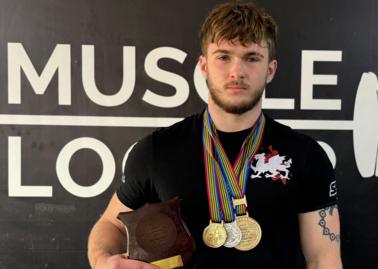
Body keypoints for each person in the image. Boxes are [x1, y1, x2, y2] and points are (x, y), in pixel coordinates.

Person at [87, 2, 342, 268]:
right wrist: (103, 260)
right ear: (204, 66)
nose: (237, 71)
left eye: (252, 58)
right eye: (223, 57)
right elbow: (110, 225)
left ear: (270, 70)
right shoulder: (157, 150)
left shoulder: (305, 155)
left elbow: (324, 259)